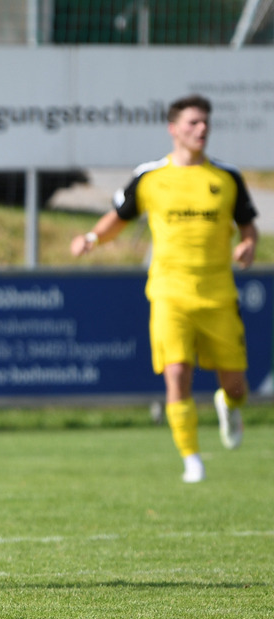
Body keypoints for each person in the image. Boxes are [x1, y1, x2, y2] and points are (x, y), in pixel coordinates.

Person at [71, 94, 259, 484]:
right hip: (169, 293)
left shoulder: (226, 177)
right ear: (173, 129)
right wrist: (91, 237)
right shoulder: (151, 176)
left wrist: (248, 244)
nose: (201, 129)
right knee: (176, 373)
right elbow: (119, 218)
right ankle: (192, 459)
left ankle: (229, 403)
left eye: (205, 122)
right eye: (192, 123)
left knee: (237, 385)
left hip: (219, 295)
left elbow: (248, 225)